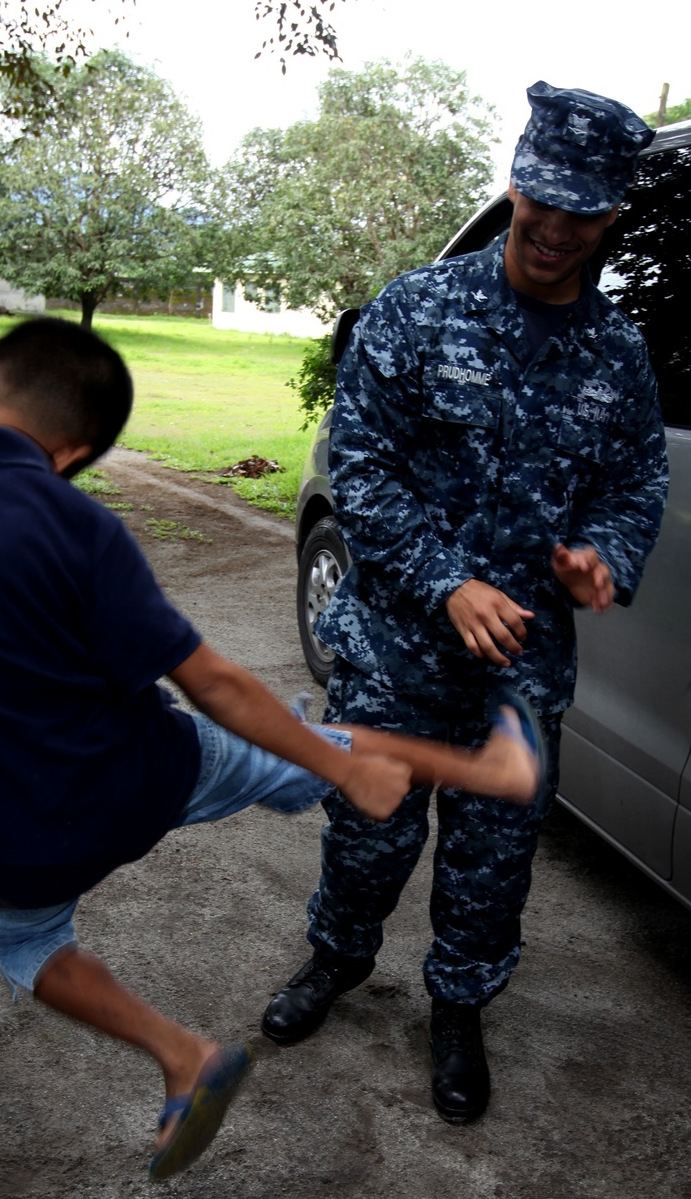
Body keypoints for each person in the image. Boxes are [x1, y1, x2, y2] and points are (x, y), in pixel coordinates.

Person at [0, 317, 545, 1179]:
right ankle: (482, 766)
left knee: (20, 943)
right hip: (138, 776)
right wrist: (340, 766)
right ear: (72, 455)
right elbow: (216, 684)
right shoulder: (74, 527)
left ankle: (180, 1054)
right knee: (283, 746)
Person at [261, 82, 670, 1124]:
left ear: (612, 215)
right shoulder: (416, 308)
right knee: (366, 832)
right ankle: (336, 959)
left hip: (519, 670)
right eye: (540, 198)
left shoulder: (616, 357)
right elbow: (359, 464)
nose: (552, 225)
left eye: (581, 210)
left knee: (493, 859)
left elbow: (632, 488)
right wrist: (445, 580)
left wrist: (605, 560)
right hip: (397, 650)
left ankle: (457, 1007)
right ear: (514, 182)